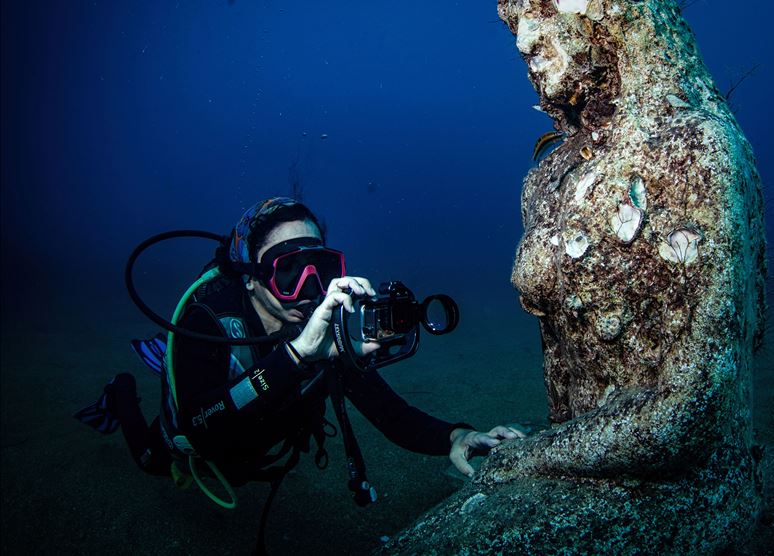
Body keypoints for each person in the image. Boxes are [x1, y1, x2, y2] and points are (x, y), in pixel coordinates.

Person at [75, 197, 524, 522]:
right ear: (250, 278)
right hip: (195, 440)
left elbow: (391, 414)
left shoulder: (322, 334)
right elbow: (197, 424)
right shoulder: (209, 319)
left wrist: (457, 436)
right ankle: (121, 393)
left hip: (257, 446)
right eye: (287, 270)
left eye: (320, 268)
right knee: (153, 460)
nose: (309, 286)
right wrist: (295, 356)